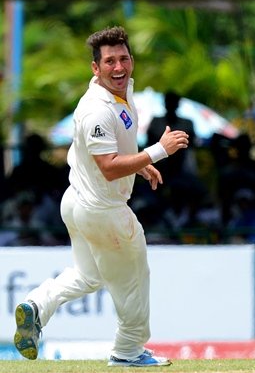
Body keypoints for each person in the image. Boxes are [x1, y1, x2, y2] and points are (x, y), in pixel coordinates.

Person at [13, 26, 189, 367]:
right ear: (96, 68)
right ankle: (127, 352)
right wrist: (157, 152)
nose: (118, 67)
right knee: (134, 280)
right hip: (103, 210)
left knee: (88, 275)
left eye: (123, 59)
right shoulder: (96, 108)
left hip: (78, 202)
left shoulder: (120, 91)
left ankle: (37, 306)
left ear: (131, 60)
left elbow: (113, 150)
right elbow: (108, 167)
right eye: (109, 61)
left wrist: (138, 165)